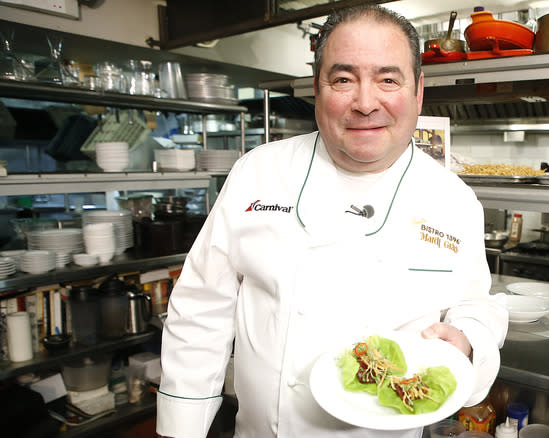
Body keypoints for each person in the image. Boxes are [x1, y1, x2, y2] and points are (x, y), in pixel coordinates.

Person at [156, 5, 508, 437]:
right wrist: (181, 429)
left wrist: (469, 336)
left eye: (388, 79)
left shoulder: (454, 200)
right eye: (343, 79)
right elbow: (201, 309)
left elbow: (476, 304)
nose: (364, 103)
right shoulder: (258, 172)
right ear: (317, 90)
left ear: (418, 91)